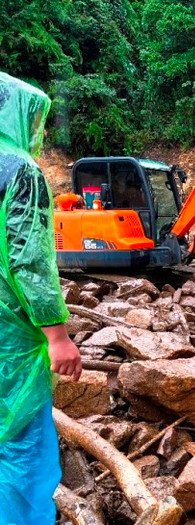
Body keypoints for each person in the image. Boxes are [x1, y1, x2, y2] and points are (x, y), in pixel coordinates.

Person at [0, 72, 82, 523]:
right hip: (9, 339)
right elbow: (29, 261)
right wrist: (57, 336)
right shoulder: (20, 172)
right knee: (20, 450)